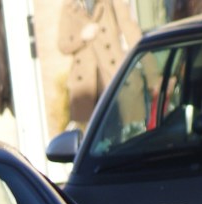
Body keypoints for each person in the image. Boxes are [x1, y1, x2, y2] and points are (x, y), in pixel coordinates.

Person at [57, 0, 141, 128]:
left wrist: (152, 74)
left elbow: (132, 33)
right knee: (92, 133)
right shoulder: (70, 5)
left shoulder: (111, 3)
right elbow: (63, 44)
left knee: (124, 127)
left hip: (113, 73)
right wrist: (82, 36)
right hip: (86, 84)